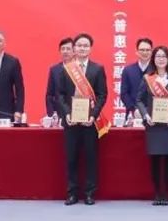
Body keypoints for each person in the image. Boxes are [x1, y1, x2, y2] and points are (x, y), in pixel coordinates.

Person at [49, 33, 108, 206]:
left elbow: (102, 95)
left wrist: (93, 115)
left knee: (90, 158)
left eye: (85, 45)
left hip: (90, 123)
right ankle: (72, 193)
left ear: (90, 48)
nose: (82, 48)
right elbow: (60, 95)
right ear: (74, 48)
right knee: (71, 158)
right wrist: (66, 113)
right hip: (71, 122)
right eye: (79, 45)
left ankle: (89, 193)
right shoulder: (67, 69)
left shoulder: (97, 69)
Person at [136, 46, 168, 206]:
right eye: (158, 56)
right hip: (153, 125)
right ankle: (157, 192)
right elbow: (139, 100)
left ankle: (166, 193)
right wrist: (146, 115)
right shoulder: (147, 78)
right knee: (155, 159)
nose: (161, 59)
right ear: (154, 59)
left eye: (164, 56)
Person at [120, 38, 153, 119]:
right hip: (133, 114)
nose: (145, 52)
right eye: (142, 50)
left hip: (153, 114)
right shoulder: (128, 70)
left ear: (151, 52)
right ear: (137, 51)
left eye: (147, 50)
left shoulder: (156, 71)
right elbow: (124, 94)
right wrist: (134, 109)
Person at [45, 37, 75, 117]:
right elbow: (49, 94)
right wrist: (52, 113)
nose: (65, 51)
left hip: (76, 111)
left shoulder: (79, 68)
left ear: (74, 51)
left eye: (68, 49)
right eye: (63, 49)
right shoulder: (54, 70)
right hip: (59, 114)